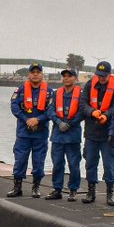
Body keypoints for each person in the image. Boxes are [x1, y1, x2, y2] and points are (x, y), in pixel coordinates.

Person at [6, 62, 51, 198]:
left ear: (42, 74)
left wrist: (38, 120)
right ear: (29, 74)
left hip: (40, 133)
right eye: (33, 72)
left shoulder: (49, 92)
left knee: (38, 161)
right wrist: (27, 119)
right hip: (23, 133)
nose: (35, 74)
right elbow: (14, 107)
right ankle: (17, 186)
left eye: (38, 72)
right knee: (20, 159)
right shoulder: (20, 90)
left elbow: (51, 111)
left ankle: (36, 187)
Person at [81, 60, 114, 205]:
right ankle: (91, 191)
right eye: (99, 75)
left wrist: (106, 115)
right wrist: (92, 112)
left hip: (108, 133)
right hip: (91, 132)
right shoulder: (89, 85)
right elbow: (82, 104)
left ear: (109, 75)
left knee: (109, 164)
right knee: (90, 162)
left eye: (104, 76)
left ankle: (110, 193)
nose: (102, 78)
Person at [47, 66, 85, 200]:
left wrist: (70, 123)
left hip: (72, 134)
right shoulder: (56, 93)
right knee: (57, 163)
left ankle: (73, 189)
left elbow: (82, 112)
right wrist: (59, 122)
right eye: (64, 76)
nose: (66, 78)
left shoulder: (81, 94)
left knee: (74, 164)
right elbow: (50, 110)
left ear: (75, 78)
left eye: (69, 75)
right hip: (58, 134)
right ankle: (57, 189)